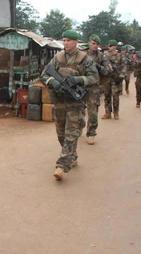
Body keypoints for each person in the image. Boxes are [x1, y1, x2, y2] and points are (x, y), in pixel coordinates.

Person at [39, 30, 98, 180]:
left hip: (75, 103)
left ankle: (62, 166)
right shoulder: (57, 58)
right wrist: (53, 82)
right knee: (61, 134)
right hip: (59, 103)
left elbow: (94, 78)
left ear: (76, 41)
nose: (65, 43)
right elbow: (44, 75)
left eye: (69, 40)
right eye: (64, 40)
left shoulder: (85, 59)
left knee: (71, 135)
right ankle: (72, 156)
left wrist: (78, 80)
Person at [84, 34, 111, 145]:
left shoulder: (101, 57)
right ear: (89, 42)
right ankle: (79, 127)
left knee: (93, 111)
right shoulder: (82, 55)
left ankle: (91, 133)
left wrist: (97, 66)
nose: (95, 46)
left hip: (94, 87)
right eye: (93, 43)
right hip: (81, 85)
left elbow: (108, 71)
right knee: (77, 110)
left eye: (97, 44)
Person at [102, 40, 126, 120]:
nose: (109, 47)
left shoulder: (120, 56)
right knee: (107, 96)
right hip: (107, 79)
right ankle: (107, 112)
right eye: (108, 46)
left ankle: (116, 112)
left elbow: (124, 67)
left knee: (115, 96)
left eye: (111, 46)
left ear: (115, 46)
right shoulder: (105, 56)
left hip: (116, 79)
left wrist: (121, 76)